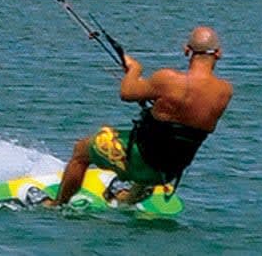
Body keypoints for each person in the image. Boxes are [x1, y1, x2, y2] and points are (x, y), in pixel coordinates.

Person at [44, 26, 233, 207]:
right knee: (164, 147)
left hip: (140, 161)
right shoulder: (225, 92)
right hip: (167, 172)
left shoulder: (167, 79)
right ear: (218, 53)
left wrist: (134, 69)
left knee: (80, 151)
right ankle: (126, 200)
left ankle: (57, 204)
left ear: (186, 50)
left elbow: (127, 92)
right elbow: (183, 113)